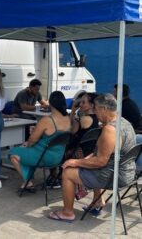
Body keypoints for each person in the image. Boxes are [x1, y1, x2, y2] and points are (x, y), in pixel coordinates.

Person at [48, 93, 136, 223]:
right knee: (77, 164)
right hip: (128, 172)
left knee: (67, 172)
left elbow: (100, 162)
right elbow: (99, 154)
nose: (95, 112)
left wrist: (76, 161)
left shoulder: (110, 129)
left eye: (96, 109)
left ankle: (67, 213)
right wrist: (83, 161)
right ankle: (98, 201)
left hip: (113, 176)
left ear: (104, 109)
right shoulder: (124, 122)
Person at [9, 91, 71, 191]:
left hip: (44, 156)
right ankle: (27, 180)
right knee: (25, 152)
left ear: (50, 104)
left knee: (13, 153)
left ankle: (28, 182)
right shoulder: (69, 119)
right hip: (59, 156)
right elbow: (53, 136)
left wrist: (26, 145)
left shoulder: (47, 120)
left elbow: (32, 140)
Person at [70, 92, 99, 157]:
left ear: (91, 105)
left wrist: (73, 110)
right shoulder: (97, 118)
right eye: (80, 102)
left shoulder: (84, 119)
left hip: (80, 153)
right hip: (91, 151)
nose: (80, 104)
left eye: (83, 102)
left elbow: (71, 130)